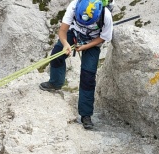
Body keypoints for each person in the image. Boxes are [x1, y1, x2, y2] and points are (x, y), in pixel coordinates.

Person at [39, 0, 113, 129]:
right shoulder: (74, 6)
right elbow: (62, 31)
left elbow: (103, 37)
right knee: (56, 56)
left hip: (92, 41)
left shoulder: (105, 15)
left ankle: (86, 114)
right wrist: (66, 45)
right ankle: (55, 83)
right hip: (73, 33)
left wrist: (85, 47)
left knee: (88, 76)